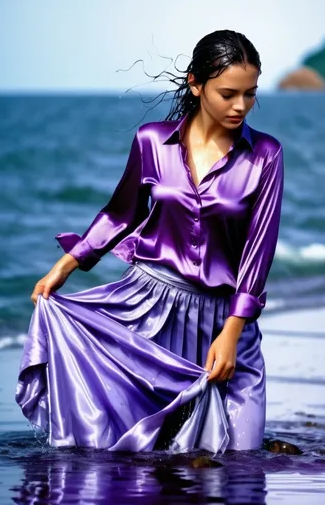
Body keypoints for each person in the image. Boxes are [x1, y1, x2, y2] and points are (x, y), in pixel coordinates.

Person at [15, 29, 284, 455]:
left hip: (224, 322)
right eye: (228, 93)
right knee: (137, 462)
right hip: (149, 311)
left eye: (250, 94)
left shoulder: (266, 154)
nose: (241, 106)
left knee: (242, 460)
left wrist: (233, 330)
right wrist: (65, 265)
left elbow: (259, 251)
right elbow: (121, 214)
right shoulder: (151, 142)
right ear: (196, 84)